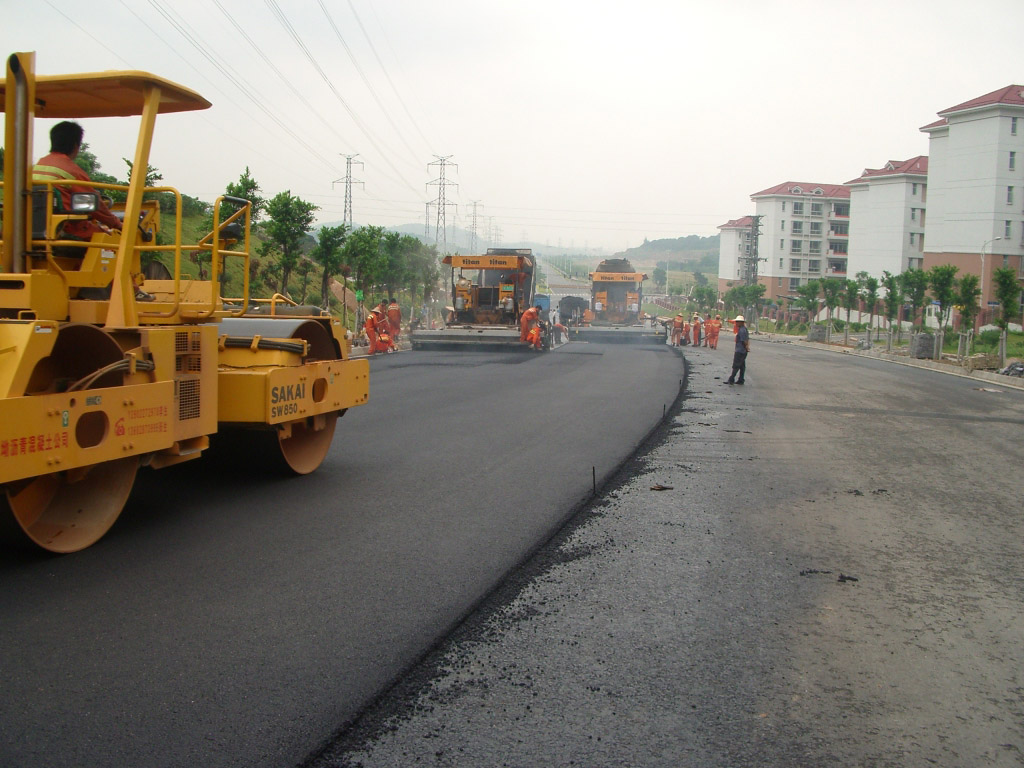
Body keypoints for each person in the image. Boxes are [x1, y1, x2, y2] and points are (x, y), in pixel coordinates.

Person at [32, 121, 123, 244]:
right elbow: (98, 207)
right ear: (76, 145)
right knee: (111, 241)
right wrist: (117, 224)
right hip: (64, 228)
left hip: (33, 227)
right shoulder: (72, 171)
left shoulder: (39, 165)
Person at [726, 315, 750, 385]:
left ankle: (731, 379)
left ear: (741, 322)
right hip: (742, 350)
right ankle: (741, 379)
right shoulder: (743, 329)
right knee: (742, 366)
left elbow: (744, 341)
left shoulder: (742, 330)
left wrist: (746, 347)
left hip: (740, 350)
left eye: (737, 322)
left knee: (736, 365)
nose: (736, 323)